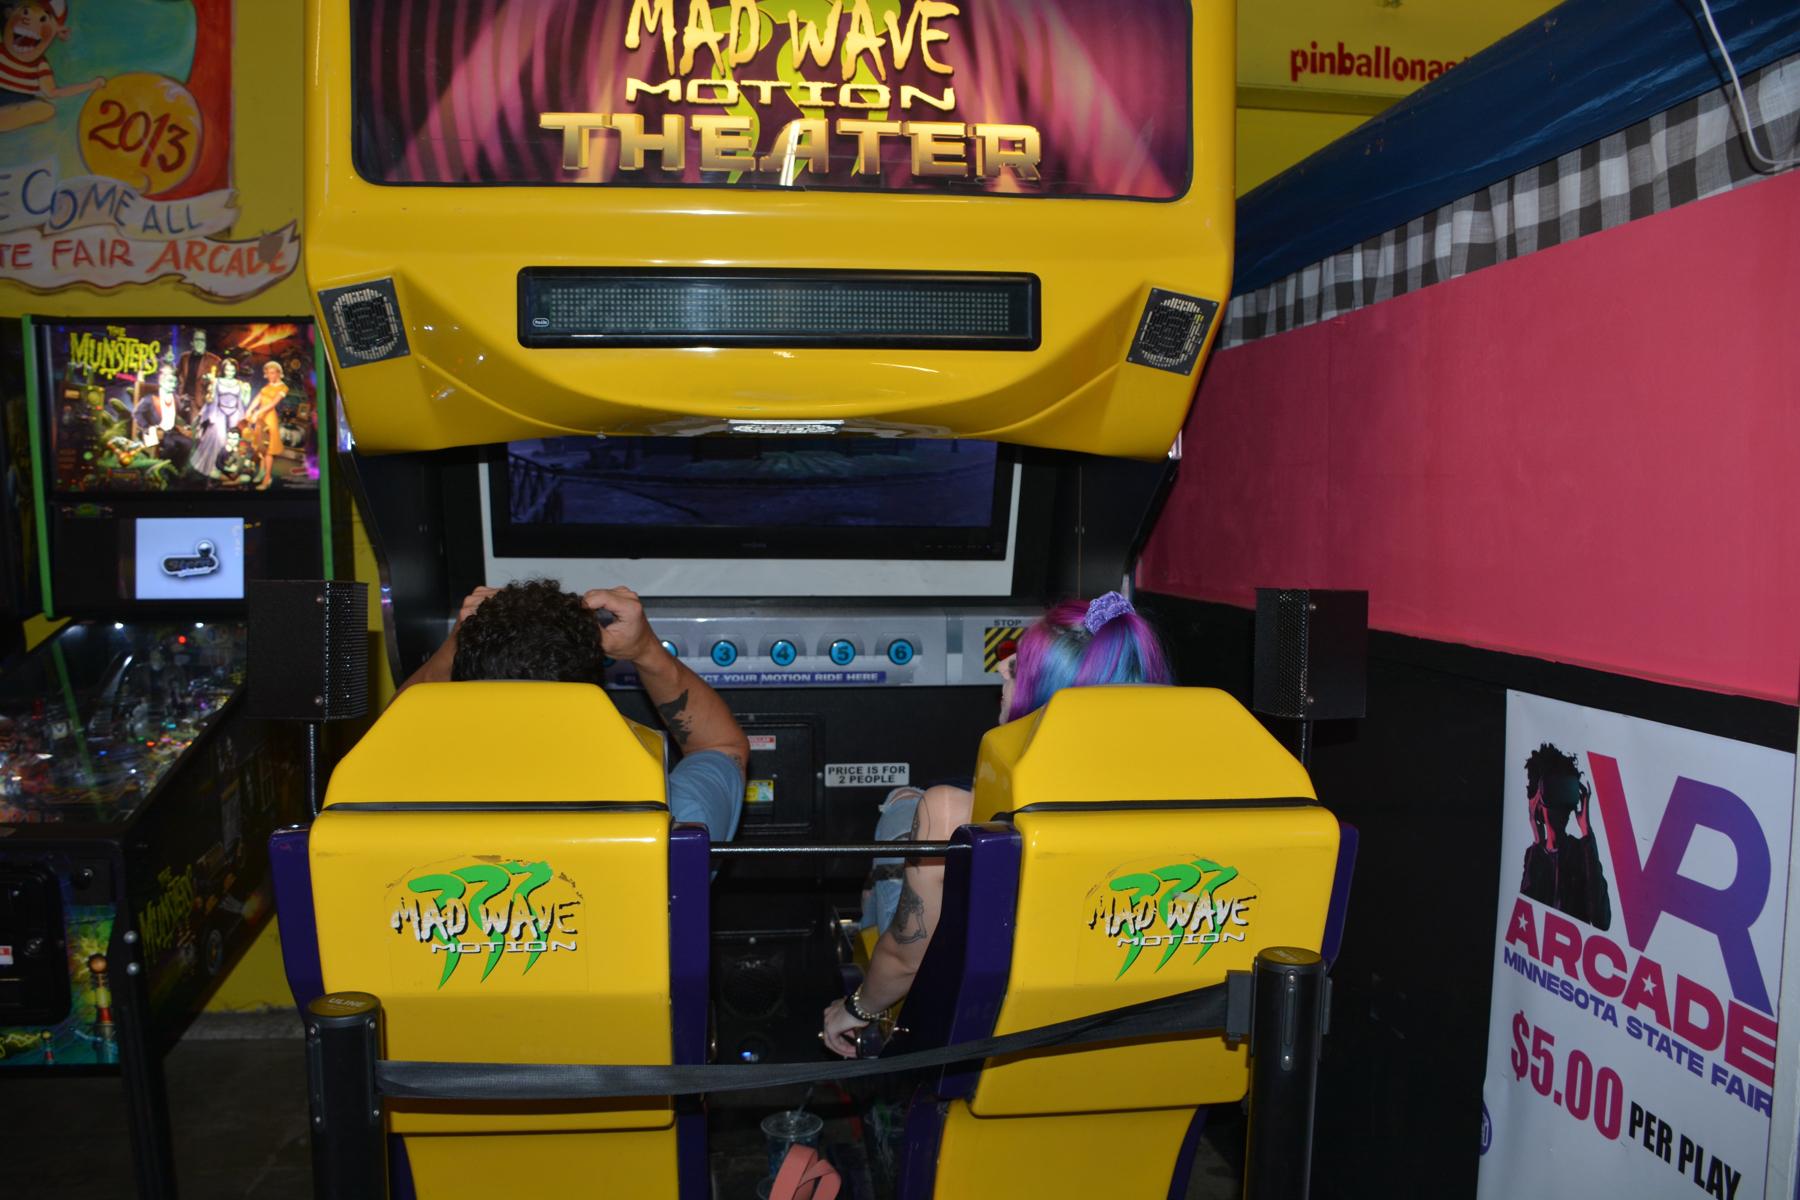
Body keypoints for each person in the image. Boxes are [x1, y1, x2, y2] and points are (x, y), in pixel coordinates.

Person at [821, 591, 1172, 1056]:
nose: (1001, 669)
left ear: (1047, 692)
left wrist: (856, 1009)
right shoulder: (1184, 800)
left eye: (1018, 667)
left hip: (980, 1037)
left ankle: (868, 940)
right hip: (1133, 1027)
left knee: (907, 806)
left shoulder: (952, 812)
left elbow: (908, 960)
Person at [399, 580, 748, 843]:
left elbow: (385, 740)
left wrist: (454, 647)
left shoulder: (400, 803)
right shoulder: (672, 816)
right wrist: (646, 651)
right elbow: (719, 746)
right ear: (592, 693)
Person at [1518, 743, 1611, 930]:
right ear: (1538, 803)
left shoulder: (1582, 853)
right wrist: (1538, 842)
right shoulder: (1533, 855)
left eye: (1566, 798)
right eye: (1554, 795)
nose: (1562, 811)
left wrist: (1587, 833)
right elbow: (1525, 915)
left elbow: (1601, 919)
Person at [190, 358, 247, 479]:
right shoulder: (217, 381)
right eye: (227, 370)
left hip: (234, 413)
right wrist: (208, 414)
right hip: (219, 412)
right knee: (219, 438)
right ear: (223, 370)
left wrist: (241, 418)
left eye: (232, 370)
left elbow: (241, 402)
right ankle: (213, 467)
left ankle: (229, 466)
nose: (230, 372)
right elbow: (211, 399)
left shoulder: (240, 384)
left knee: (233, 441)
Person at [240, 360, 288, 490]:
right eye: (268, 373)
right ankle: (261, 473)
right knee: (260, 448)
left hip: (269, 419)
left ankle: (267, 479)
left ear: (278, 373)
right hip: (260, 419)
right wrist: (249, 410)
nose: (270, 376)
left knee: (268, 451)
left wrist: (257, 412)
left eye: (272, 373)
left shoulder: (283, 387)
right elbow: (258, 398)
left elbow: (272, 404)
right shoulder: (267, 386)